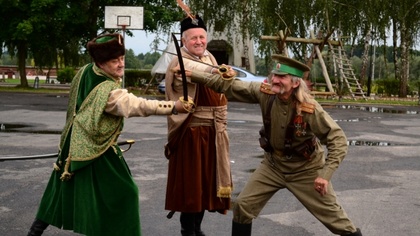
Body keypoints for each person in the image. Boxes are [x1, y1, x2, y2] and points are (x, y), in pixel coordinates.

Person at [175, 55, 363, 236]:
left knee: (337, 221)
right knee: (243, 206)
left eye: (282, 77)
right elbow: (229, 86)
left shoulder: (309, 108)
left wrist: (325, 175)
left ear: (295, 83)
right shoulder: (265, 93)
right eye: (275, 75)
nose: (275, 80)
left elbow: (337, 139)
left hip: (305, 170)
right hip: (273, 166)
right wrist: (192, 75)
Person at [27, 33, 191, 236]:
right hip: (96, 148)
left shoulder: (86, 71)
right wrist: (173, 106)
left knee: (61, 190)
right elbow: (136, 105)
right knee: (126, 193)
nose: (121, 64)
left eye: (122, 58)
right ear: (100, 63)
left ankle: (34, 232)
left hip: (73, 142)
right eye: (115, 61)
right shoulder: (108, 91)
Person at [164, 15, 232, 236]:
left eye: (202, 37)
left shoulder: (210, 57)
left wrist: (220, 70)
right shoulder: (180, 61)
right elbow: (195, 70)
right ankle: (188, 229)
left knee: (206, 183)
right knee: (192, 185)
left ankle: (197, 228)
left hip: (212, 132)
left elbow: (209, 69)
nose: (199, 41)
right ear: (184, 41)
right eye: (193, 38)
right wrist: (217, 71)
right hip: (191, 132)